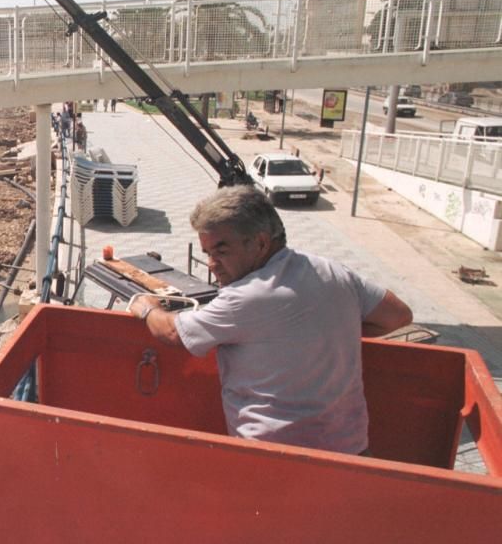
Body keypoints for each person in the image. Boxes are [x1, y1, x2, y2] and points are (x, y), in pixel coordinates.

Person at [128, 186, 412, 456]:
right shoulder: (332, 271)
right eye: (208, 254)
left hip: (278, 460)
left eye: (221, 251)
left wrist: (146, 307)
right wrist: (322, 330)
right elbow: (398, 316)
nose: (213, 264)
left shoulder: (246, 297)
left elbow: (173, 334)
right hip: (351, 451)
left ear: (261, 242)